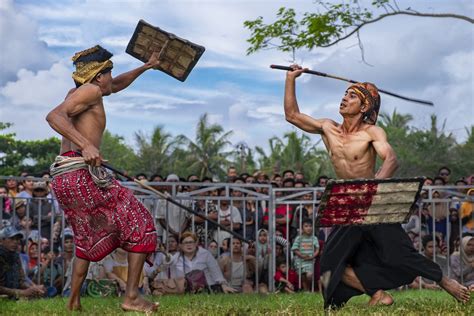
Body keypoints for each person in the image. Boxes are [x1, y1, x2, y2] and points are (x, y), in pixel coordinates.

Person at [283, 64, 470, 308]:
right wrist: (290, 79)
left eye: (351, 96)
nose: (344, 98)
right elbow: (292, 115)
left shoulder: (372, 132)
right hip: (346, 205)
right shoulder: (328, 128)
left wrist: (372, 190)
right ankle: (377, 293)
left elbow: (391, 159)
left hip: (372, 203)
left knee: (398, 252)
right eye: (344, 94)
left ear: (364, 107)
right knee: (330, 261)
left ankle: (446, 282)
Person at [45, 45, 161, 312]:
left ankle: (73, 302)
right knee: (139, 221)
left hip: (65, 177)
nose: (112, 78)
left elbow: (116, 85)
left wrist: (145, 66)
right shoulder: (90, 91)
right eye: (109, 72)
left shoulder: (84, 92)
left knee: (86, 236)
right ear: (99, 76)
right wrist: (86, 144)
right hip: (79, 173)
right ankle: (131, 296)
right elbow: (53, 116)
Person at [0, 225, 46, 299]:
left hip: (13, 295)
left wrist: (34, 289)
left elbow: (21, 281)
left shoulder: (16, 256)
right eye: (11, 239)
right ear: (1, 241)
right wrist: (22, 292)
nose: (15, 242)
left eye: (17, 239)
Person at [291, 219, 319, 291]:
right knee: (302, 277)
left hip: (310, 261)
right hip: (300, 260)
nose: (308, 228)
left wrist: (312, 256)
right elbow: (295, 249)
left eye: (310, 226)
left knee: (309, 275)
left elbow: (317, 249)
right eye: (306, 226)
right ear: (302, 228)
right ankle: (306, 291)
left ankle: (309, 288)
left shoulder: (314, 238)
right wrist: (302, 256)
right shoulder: (299, 238)